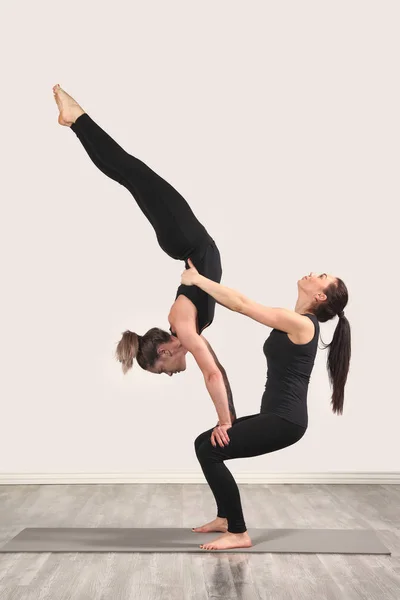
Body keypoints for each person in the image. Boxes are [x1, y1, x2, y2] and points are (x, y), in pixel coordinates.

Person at [52, 84, 236, 427]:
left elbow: (210, 374)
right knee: (129, 175)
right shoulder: (187, 331)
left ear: (164, 352)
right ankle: (75, 120)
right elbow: (217, 373)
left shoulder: (183, 326)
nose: (169, 374)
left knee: (132, 172)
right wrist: (231, 421)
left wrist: (223, 422)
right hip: (182, 238)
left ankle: (76, 118)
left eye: (161, 370)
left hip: (183, 236)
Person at [181, 259, 351, 550]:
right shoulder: (298, 322)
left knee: (211, 450)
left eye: (321, 276)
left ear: (321, 296)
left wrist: (197, 280)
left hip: (285, 422)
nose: (312, 272)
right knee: (202, 443)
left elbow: (241, 304)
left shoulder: (301, 323)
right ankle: (224, 517)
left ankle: (238, 532)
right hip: (275, 416)